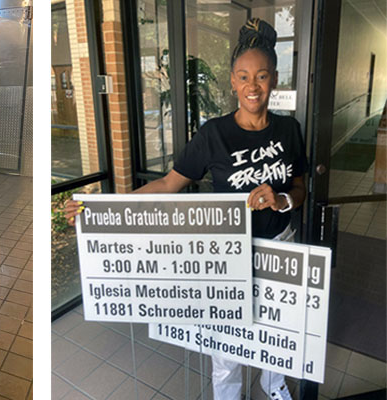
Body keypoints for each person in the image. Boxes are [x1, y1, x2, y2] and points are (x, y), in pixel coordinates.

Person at [65, 18, 306, 400]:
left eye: (261, 76)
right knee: (227, 341)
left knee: (277, 330)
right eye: (243, 77)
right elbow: (168, 184)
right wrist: (99, 206)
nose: (252, 86)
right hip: (229, 253)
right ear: (232, 81)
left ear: (274, 79)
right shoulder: (214, 134)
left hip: (280, 243)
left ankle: (272, 383)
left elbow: (299, 186)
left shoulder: (290, 130)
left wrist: (283, 200)